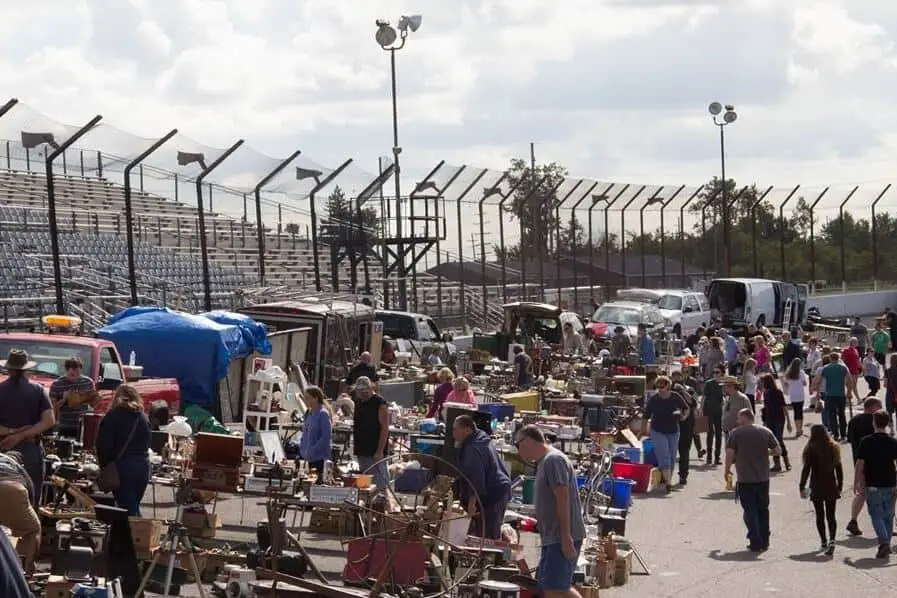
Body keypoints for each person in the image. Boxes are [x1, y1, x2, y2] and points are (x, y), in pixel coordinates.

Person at [515, 425, 586, 597]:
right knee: (549, 588)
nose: (518, 451)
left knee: (556, 588)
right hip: (553, 536)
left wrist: (565, 536)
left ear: (529, 441)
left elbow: (563, 497)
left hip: (560, 537)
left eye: (518, 445)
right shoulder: (545, 462)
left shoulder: (553, 460)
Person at [0, 349, 56, 507]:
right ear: (26, 369)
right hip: (30, 449)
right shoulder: (38, 390)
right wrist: (22, 435)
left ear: (8, 369)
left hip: (2, 449)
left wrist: (12, 433)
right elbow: (49, 420)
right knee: (30, 500)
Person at [724, 408, 781, 552]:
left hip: (745, 478)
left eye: (738, 418)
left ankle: (755, 540)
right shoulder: (765, 431)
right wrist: (765, 452)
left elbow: (729, 454)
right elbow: (778, 451)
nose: (737, 421)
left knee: (750, 510)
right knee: (763, 509)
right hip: (763, 477)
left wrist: (727, 470)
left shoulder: (735, 434)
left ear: (743, 418)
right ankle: (765, 540)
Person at [95, 384, 151, 516]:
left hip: (123, 468)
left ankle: (139, 534)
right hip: (143, 467)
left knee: (128, 512)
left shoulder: (113, 416)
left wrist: (104, 466)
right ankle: (138, 533)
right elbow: (148, 443)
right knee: (133, 506)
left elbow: (103, 445)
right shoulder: (143, 417)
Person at [453, 415, 511, 539]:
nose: (453, 433)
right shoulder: (481, 438)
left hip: (493, 494)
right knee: (490, 532)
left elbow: (476, 477)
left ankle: (489, 557)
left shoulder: (472, 448)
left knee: (487, 537)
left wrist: (472, 503)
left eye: (455, 429)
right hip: (501, 489)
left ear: (467, 430)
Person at [854, 410, 897, 559]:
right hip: (891, 482)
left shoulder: (866, 441)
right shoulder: (893, 442)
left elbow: (860, 464)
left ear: (874, 422)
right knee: (889, 514)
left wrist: (857, 481)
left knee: (876, 514)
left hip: (872, 483)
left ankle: (884, 542)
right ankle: (886, 542)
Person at [799, 424, 843, 555]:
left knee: (820, 515)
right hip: (831, 485)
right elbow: (839, 468)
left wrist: (801, 486)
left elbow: (806, 469)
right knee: (831, 515)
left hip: (816, 485)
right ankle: (832, 540)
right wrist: (840, 485)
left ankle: (823, 540)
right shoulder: (833, 447)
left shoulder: (811, 448)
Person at [643, 375, 689, 492]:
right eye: (658, 386)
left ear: (668, 386)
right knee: (665, 456)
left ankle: (667, 479)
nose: (660, 389)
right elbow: (646, 415)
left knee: (672, 456)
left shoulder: (675, 396)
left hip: (673, 430)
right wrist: (644, 429)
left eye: (662, 386)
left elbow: (686, 408)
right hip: (657, 431)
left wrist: (683, 416)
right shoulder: (654, 399)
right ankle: (668, 483)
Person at [845, 396, 882, 537]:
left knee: (862, 492)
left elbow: (850, 440)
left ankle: (853, 520)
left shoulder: (853, 421)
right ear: (873, 407)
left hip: (858, 460)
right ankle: (884, 524)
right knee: (881, 494)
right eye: (879, 407)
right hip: (874, 462)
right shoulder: (875, 421)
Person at [0, 450, 41, 574]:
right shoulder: (18, 467)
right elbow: (31, 495)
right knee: (32, 530)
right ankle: (25, 572)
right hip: (9, 488)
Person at [351, 377, 389, 490]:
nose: (362, 394)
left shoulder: (379, 403)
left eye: (365, 392)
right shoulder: (358, 402)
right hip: (361, 448)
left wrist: (380, 451)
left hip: (374, 451)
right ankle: (365, 503)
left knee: (379, 483)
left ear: (370, 388)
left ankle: (382, 503)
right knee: (364, 484)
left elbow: (384, 428)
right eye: (359, 392)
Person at [48, 355, 95, 439]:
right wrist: (63, 399)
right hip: (63, 424)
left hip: (82, 424)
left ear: (80, 369)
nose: (71, 371)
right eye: (68, 369)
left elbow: (93, 405)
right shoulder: (57, 384)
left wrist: (85, 398)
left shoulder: (88, 382)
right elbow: (51, 408)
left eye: (75, 369)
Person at [814, 352, 852, 440]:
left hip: (830, 394)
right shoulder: (843, 368)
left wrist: (818, 392)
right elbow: (849, 380)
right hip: (841, 393)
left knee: (832, 414)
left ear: (830, 359)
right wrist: (849, 392)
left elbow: (818, 381)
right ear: (838, 358)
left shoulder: (825, 368)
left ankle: (835, 434)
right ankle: (843, 433)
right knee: (842, 414)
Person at [299, 386, 333, 484]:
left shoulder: (323, 414)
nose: (306, 400)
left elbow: (326, 437)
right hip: (308, 457)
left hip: (320, 458)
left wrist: (313, 450)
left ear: (316, 398)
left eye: (308, 398)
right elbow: (305, 434)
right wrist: (302, 448)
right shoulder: (309, 413)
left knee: (318, 484)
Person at [759, 373, 792, 472]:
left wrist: (789, 422)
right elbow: (766, 408)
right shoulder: (766, 393)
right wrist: (764, 421)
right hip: (770, 420)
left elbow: (784, 406)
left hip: (779, 419)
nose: (762, 384)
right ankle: (777, 464)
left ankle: (786, 462)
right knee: (772, 442)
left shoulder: (778, 392)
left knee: (779, 440)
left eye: (763, 382)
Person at [671, 371, 699, 486]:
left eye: (679, 376)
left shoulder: (689, 389)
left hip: (686, 424)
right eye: (674, 377)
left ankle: (683, 475)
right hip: (671, 423)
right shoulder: (669, 390)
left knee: (684, 451)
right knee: (669, 451)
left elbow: (693, 402)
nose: (677, 379)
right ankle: (666, 476)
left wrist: (683, 390)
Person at [702, 365, 726, 466]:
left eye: (717, 372)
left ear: (722, 373)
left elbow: (727, 397)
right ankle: (709, 457)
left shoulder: (724, 384)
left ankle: (717, 457)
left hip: (719, 411)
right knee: (710, 433)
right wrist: (700, 409)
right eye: (714, 372)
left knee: (719, 434)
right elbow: (704, 397)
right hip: (708, 410)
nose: (715, 374)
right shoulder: (709, 383)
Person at [721, 375, 754, 441]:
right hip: (728, 433)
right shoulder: (728, 398)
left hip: (739, 434)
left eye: (725, 386)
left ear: (732, 386)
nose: (723, 388)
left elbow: (750, 416)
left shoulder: (742, 398)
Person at [781, 358, 808, 437]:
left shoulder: (789, 373)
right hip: (800, 395)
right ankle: (800, 429)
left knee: (796, 412)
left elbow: (785, 383)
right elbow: (804, 383)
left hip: (793, 395)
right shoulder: (801, 372)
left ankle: (797, 429)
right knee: (800, 412)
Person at [842, 338, 863, 405]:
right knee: (852, 385)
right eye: (855, 342)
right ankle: (858, 399)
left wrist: (861, 368)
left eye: (857, 342)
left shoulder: (856, 350)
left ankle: (847, 399)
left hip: (855, 370)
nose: (857, 343)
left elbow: (857, 360)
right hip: (849, 370)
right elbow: (842, 360)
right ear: (852, 342)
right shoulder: (846, 350)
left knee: (852, 385)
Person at [886, 354, 897, 431]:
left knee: (889, 412)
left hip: (890, 393)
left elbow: (885, 384)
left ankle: (891, 429)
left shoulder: (888, 371)